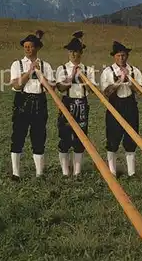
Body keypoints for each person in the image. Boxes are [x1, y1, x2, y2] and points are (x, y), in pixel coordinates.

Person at [9, 30, 56, 180]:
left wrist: (42, 76)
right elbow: (16, 85)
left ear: (37, 48)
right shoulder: (17, 64)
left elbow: (52, 88)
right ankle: (16, 173)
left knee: (39, 137)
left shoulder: (46, 66)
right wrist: (30, 71)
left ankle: (39, 173)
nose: (27, 49)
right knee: (18, 136)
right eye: (26, 46)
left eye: (30, 46)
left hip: (40, 102)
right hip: (22, 101)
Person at [100, 41, 142, 178]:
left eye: (124, 55)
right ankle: (112, 172)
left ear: (127, 56)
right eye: (119, 55)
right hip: (114, 107)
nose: (121, 58)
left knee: (131, 139)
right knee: (113, 139)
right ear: (114, 56)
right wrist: (119, 81)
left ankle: (131, 173)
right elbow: (105, 92)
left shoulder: (134, 70)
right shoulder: (108, 71)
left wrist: (130, 81)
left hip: (130, 106)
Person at [56, 31, 96, 177]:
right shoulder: (62, 69)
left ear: (81, 53)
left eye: (77, 51)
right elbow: (60, 87)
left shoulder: (88, 69)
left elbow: (92, 89)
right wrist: (72, 76)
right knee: (65, 137)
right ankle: (65, 172)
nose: (74, 54)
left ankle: (77, 172)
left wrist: (83, 78)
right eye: (71, 51)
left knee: (81, 138)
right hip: (67, 103)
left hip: (83, 104)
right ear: (68, 53)